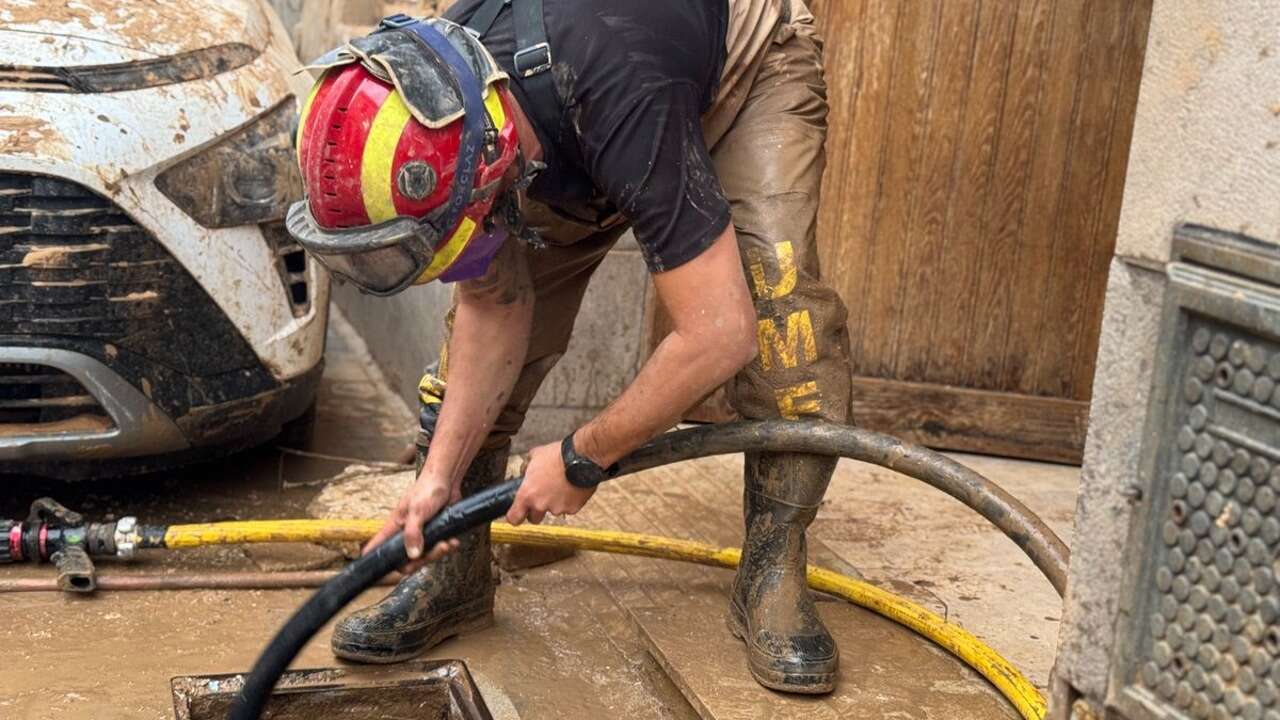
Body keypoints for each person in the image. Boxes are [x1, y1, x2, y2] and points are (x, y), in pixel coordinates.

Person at [287, 0, 852, 694]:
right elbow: (493, 304)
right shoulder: (454, 94)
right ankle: (457, 574)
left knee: (779, 319)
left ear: (489, 152)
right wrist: (439, 477)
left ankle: (774, 570)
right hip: (577, 107)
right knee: (474, 334)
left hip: (741, 66)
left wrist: (586, 455)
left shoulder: (620, 84)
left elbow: (718, 333)